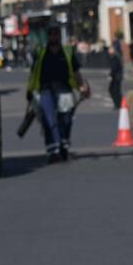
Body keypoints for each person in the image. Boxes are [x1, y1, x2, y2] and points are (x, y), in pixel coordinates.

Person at [26, 24, 86, 162]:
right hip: (45, 89)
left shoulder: (67, 52)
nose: (53, 36)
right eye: (51, 34)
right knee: (49, 120)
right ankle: (53, 150)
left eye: (55, 34)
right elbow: (33, 73)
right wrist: (29, 90)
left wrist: (81, 86)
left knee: (66, 119)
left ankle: (63, 144)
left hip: (64, 88)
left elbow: (76, 72)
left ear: (59, 36)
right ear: (48, 37)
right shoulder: (41, 53)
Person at [108, 35, 125, 110]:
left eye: (110, 48)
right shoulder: (114, 56)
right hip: (117, 76)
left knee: (114, 90)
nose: (109, 49)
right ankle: (119, 103)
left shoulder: (115, 57)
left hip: (116, 77)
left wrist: (111, 75)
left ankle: (118, 104)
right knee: (114, 90)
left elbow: (115, 68)